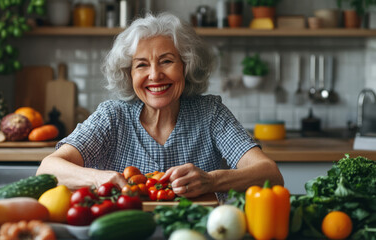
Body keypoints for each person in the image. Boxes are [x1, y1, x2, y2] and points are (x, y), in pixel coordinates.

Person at [36, 13, 284, 200]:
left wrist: (212, 180)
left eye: (166, 61)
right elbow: (48, 169)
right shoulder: (112, 116)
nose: (155, 75)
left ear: (186, 66)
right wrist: (101, 178)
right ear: (129, 74)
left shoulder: (211, 113)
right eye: (142, 65)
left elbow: (270, 174)